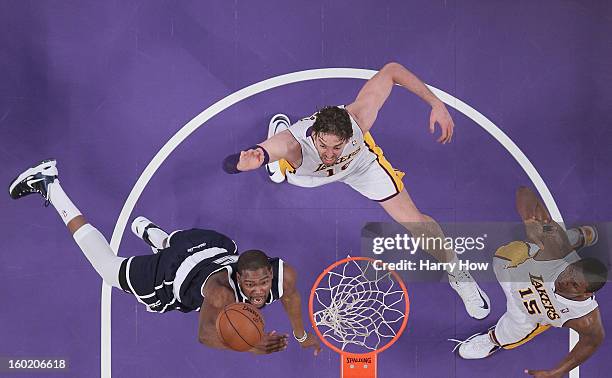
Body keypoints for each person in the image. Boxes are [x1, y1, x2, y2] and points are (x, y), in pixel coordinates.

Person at [223, 61, 490, 319]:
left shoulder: (359, 118)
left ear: (348, 136)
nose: (329, 154)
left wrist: (436, 103)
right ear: (314, 133)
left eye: (336, 146)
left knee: (415, 221)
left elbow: (392, 70)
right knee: (285, 166)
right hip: (307, 172)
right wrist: (245, 161)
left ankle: (458, 273)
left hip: (359, 166)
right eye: (323, 145)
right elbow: (231, 163)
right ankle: (278, 163)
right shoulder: (293, 144)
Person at [8, 159, 321, 355]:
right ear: (239, 277)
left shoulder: (283, 275)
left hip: (208, 246)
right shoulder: (220, 295)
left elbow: (290, 298)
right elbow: (205, 335)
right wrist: (249, 344)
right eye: (251, 285)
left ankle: (152, 233)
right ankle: (50, 184)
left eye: (264, 283)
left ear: (271, 272)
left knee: (181, 243)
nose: (258, 291)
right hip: (170, 276)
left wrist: (301, 333)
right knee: (107, 269)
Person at [455, 186, 606, 377]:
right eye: (570, 272)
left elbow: (592, 342)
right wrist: (529, 220)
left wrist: (556, 372)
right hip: (516, 269)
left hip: (528, 312)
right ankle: (573, 238)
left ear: (586, 293)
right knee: (540, 242)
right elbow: (524, 192)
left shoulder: (585, 318)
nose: (565, 281)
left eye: (574, 285)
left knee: (507, 335)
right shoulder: (555, 251)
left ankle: (492, 340)